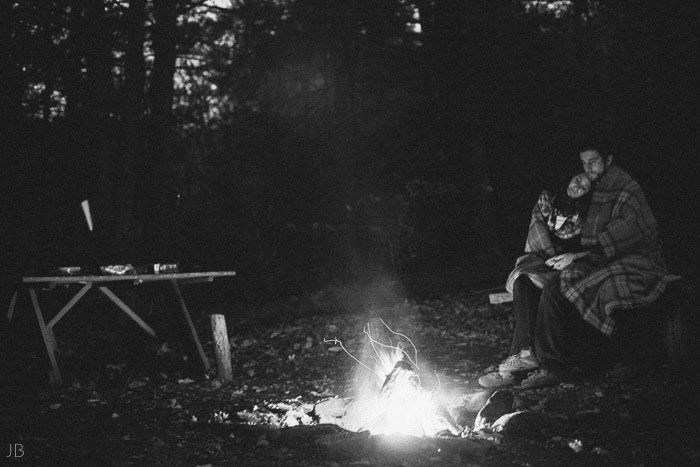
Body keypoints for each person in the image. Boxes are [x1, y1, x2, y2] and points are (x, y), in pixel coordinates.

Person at [487, 137, 679, 390]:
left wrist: (579, 256)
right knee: (529, 278)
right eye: (584, 164)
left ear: (608, 160)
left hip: (630, 256)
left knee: (562, 286)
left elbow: (629, 231)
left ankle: (554, 365)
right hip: (594, 256)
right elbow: (564, 234)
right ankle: (525, 355)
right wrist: (562, 253)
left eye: (593, 162)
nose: (587, 170)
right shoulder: (575, 193)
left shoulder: (623, 187)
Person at [478, 171, 593, 388]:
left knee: (550, 290)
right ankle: (522, 355)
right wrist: (547, 256)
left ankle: (526, 361)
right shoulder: (548, 198)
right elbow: (536, 230)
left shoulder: (587, 213)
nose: (578, 187)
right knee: (523, 280)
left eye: (585, 187)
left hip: (569, 263)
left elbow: (588, 246)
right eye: (577, 180)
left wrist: (569, 258)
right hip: (542, 258)